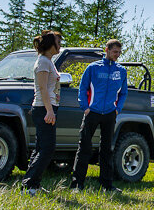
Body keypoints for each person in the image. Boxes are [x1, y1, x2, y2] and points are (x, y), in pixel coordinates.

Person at [70, 39, 127, 192]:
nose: (117, 55)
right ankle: (77, 184)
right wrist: (85, 107)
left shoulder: (121, 71)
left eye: (119, 52)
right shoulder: (93, 68)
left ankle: (107, 185)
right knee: (84, 148)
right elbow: (82, 88)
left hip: (110, 114)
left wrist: (117, 109)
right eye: (115, 52)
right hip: (92, 112)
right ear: (107, 49)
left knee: (107, 149)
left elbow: (123, 93)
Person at [22, 30, 62, 195]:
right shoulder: (43, 62)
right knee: (47, 148)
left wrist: (56, 94)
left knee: (40, 148)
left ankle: (33, 185)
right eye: (58, 42)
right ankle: (29, 185)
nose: (59, 45)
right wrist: (49, 111)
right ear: (50, 45)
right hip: (43, 108)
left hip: (47, 107)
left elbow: (49, 87)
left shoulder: (48, 62)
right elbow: (42, 88)